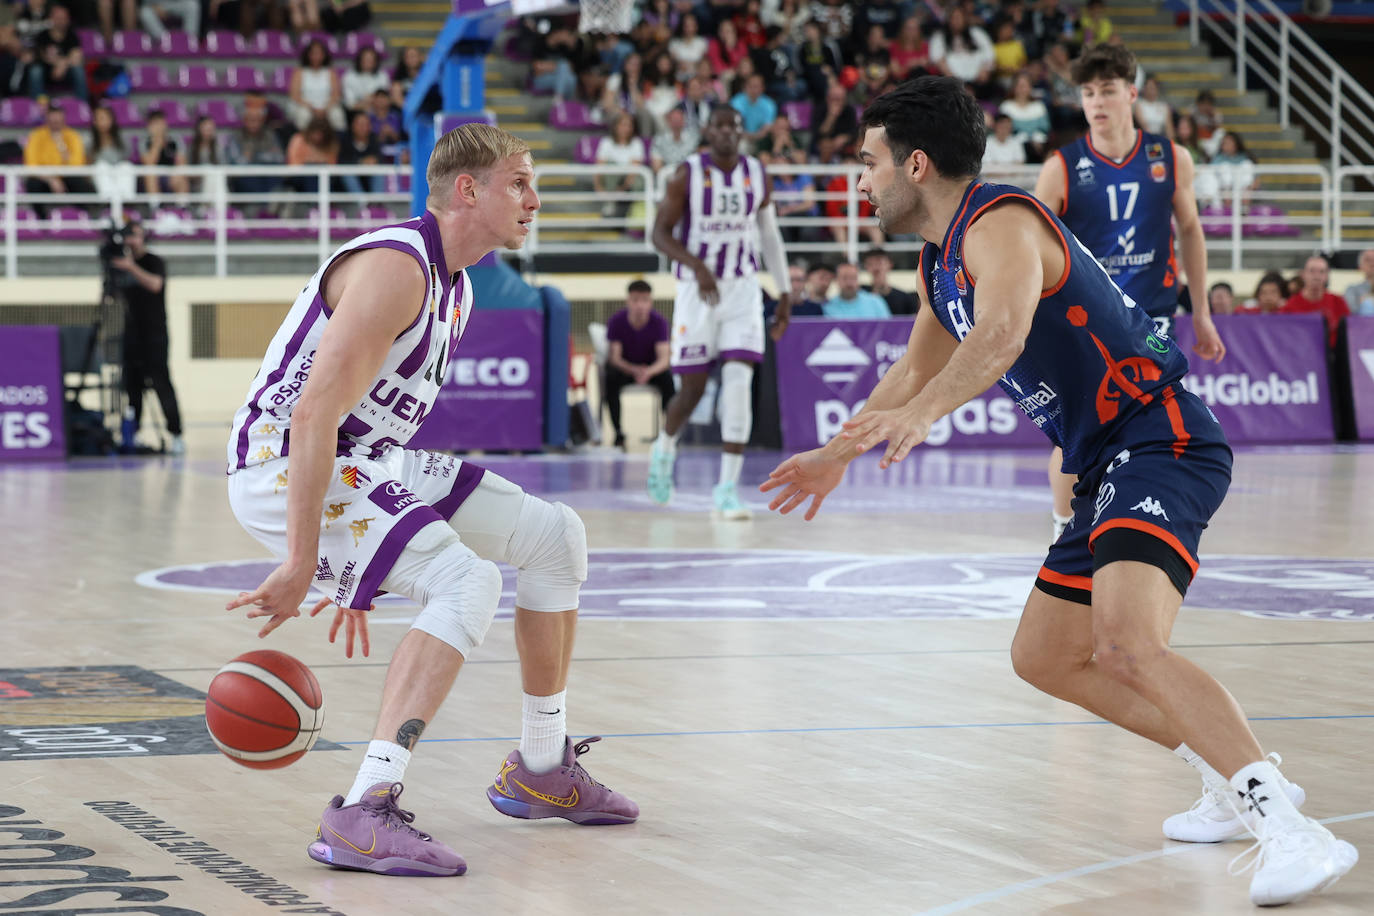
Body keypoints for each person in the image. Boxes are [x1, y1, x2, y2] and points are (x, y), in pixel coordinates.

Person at [760, 76, 1358, 908]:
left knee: (1126, 643)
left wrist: (924, 417)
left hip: (1163, 437)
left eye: (869, 163)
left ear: (917, 164)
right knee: (1042, 655)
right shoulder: (941, 263)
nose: (862, 182)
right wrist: (837, 452)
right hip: (1108, 458)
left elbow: (1001, 335)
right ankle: (1231, 775)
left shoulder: (1001, 222)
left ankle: (1291, 830)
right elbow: (912, 367)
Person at [224, 124, 639, 878]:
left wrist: (370, 555)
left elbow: (364, 423)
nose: (535, 199)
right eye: (520, 182)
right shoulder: (395, 268)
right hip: (280, 464)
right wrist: (307, 554)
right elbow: (314, 415)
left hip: (364, 462)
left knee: (554, 537)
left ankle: (541, 766)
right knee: (466, 579)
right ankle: (363, 809)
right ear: (468, 190)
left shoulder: (460, 283)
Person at [1034, 44, 1224, 544]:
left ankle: (1136, 522)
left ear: (1131, 93)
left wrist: (1201, 313)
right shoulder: (1063, 166)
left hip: (1153, 316)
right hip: (1086, 318)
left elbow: (1191, 231)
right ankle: (1063, 531)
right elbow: (1030, 242)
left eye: (1108, 91)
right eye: (1088, 92)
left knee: (1152, 423)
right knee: (1081, 427)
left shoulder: (1168, 155)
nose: (1097, 102)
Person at [648, 105, 792, 519]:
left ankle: (727, 489)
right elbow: (659, 233)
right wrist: (696, 265)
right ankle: (665, 448)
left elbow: (768, 233)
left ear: (742, 132)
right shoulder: (687, 174)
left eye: (734, 126)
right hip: (698, 289)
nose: (728, 132)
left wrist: (782, 292)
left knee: (738, 387)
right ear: (708, 131)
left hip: (744, 291)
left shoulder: (757, 173)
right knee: (690, 390)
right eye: (721, 126)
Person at [111, 221, 184, 456]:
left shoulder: (154, 262)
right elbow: (114, 294)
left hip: (154, 335)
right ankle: (133, 433)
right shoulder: (119, 264)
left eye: (136, 236)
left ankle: (176, 434)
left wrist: (131, 267)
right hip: (131, 334)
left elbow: (155, 285)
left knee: (162, 384)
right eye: (128, 237)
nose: (132, 241)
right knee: (132, 386)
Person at [603, 280, 673, 449]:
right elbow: (615, 357)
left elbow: (664, 358)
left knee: (668, 381)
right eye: (635, 300)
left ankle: (669, 432)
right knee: (610, 378)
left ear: (650, 302)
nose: (640, 305)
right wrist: (633, 370)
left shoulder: (660, 322)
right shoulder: (616, 321)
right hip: (626, 370)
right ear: (628, 301)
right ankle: (618, 433)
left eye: (644, 300)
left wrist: (648, 372)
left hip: (650, 370)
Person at [22, 101, 95, 217]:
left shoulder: (72, 136)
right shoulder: (36, 135)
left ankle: (84, 216)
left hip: (67, 178)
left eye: (58, 116)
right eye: (52, 115)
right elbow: (31, 165)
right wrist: (51, 179)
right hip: (44, 179)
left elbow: (77, 165)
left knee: (80, 183)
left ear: (63, 117)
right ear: (46, 117)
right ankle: (41, 220)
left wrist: (64, 151)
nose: (55, 119)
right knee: (32, 184)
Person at [1281, 254, 1350, 347]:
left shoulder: (1338, 301)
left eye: (1322, 272)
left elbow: (1349, 331)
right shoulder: (1291, 305)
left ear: (1327, 276)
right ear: (1303, 274)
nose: (1317, 276)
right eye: (1312, 271)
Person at [225, 94, 286, 196]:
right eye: (251, 120)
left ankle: (269, 207)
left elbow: (279, 158)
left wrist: (253, 156)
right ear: (244, 120)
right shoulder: (236, 137)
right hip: (245, 176)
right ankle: (261, 208)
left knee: (275, 178)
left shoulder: (269, 135)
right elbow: (234, 164)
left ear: (262, 120)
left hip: (267, 175)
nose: (254, 123)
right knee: (248, 178)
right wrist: (252, 158)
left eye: (257, 120)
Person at [29, 3, 86, 102]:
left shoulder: (72, 36)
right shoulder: (43, 36)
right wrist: (58, 63)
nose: (61, 21)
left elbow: (77, 56)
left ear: (68, 19)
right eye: (58, 18)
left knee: (78, 70)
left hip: (66, 71)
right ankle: (37, 105)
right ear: (51, 18)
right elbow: (41, 55)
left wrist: (63, 65)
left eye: (64, 18)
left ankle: (82, 105)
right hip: (47, 71)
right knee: (35, 71)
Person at [289, 38, 346, 133]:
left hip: (327, 106)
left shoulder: (330, 72)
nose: (316, 56)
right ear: (308, 55)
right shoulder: (300, 72)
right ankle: (303, 143)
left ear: (324, 55)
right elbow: (295, 96)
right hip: (306, 106)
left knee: (337, 115)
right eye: (313, 53)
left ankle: (338, 143)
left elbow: (336, 95)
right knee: (303, 115)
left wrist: (325, 108)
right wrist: (313, 109)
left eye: (319, 53)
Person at [862, 247, 918, 316]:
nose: (876, 268)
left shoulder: (904, 298)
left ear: (890, 264)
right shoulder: (860, 294)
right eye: (871, 264)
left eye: (879, 263)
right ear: (866, 267)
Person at [825, 261, 891, 318]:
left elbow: (888, 328)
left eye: (853, 278)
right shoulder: (828, 307)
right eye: (844, 278)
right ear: (836, 280)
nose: (849, 283)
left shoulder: (876, 302)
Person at [343, 46, 390, 116]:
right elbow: (349, 103)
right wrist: (365, 105)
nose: (368, 62)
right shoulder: (349, 76)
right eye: (365, 59)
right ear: (359, 60)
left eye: (371, 59)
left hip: (379, 111)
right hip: (356, 112)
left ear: (376, 61)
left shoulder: (382, 76)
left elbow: (385, 98)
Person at [1344, 248, 1374, 316]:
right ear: (1360, 266)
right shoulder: (1352, 290)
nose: (1372, 263)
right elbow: (1350, 313)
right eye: (1368, 260)